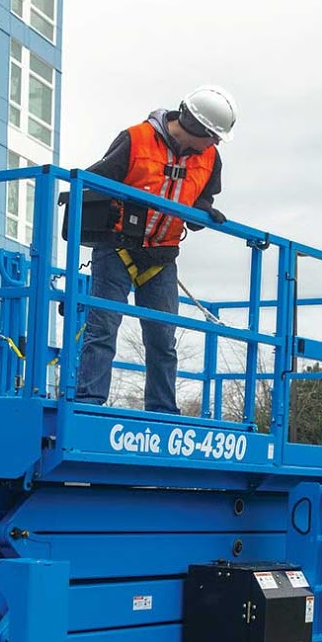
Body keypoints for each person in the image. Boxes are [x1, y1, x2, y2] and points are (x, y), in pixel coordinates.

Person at [73, 84, 236, 414]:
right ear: (195, 127)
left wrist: (202, 210)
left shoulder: (210, 158)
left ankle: (162, 410)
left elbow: (206, 192)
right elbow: (92, 181)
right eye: (213, 136)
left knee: (163, 339)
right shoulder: (135, 140)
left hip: (162, 255)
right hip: (117, 249)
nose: (216, 143)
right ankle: (87, 404)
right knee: (102, 327)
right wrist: (112, 209)